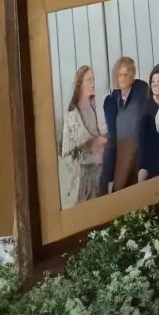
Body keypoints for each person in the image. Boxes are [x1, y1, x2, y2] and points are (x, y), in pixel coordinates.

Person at [99, 55, 150, 194]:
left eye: (125, 75)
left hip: (136, 152)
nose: (122, 78)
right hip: (120, 152)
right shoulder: (113, 102)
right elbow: (112, 135)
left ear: (132, 76)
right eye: (120, 75)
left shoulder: (139, 95)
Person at [60, 65, 107, 208]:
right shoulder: (72, 116)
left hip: (100, 173)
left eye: (93, 79)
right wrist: (90, 144)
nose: (93, 83)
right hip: (83, 178)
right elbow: (67, 153)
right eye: (89, 80)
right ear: (80, 85)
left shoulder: (97, 109)